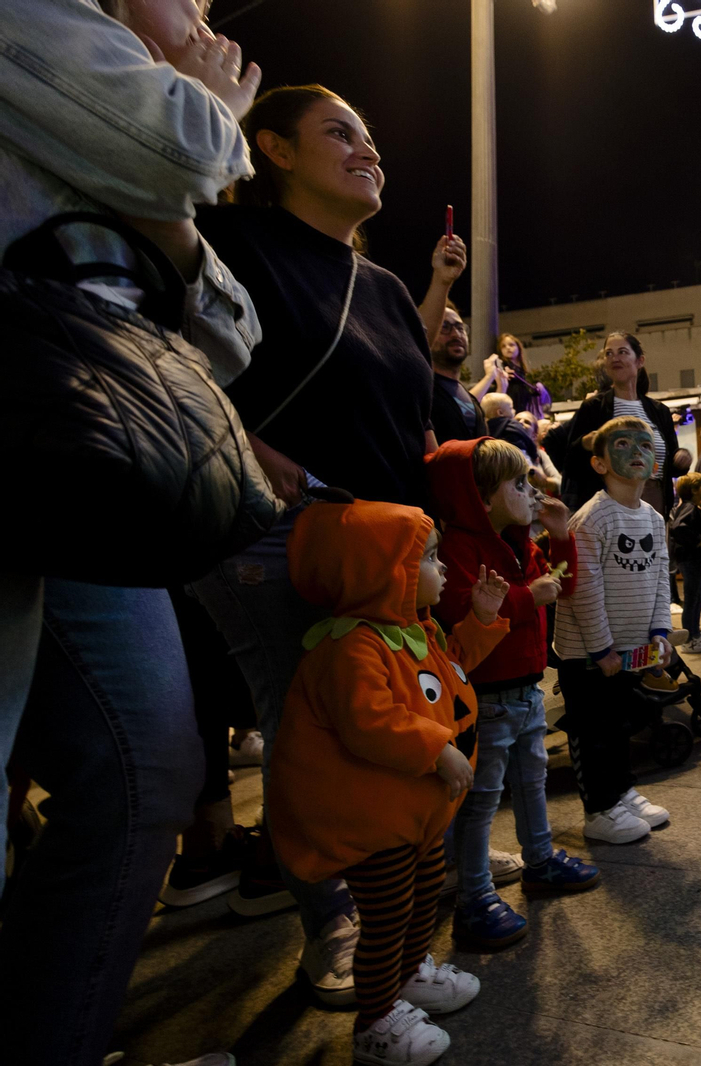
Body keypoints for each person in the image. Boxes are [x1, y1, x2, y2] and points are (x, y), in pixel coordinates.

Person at [0, 3, 262, 1061]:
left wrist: (167, 209)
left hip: (91, 480)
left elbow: (231, 330)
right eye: (187, 4)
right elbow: (186, 144)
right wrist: (214, 107)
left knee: (149, 761)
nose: (205, 26)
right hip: (27, 435)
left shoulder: (113, 93)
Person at [191, 84, 447, 1000]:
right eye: (340, 133)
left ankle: (399, 914)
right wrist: (250, 443)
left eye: (372, 139)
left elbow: (408, 422)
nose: (367, 150)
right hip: (277, 531)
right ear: (278, 151)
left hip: (383, 551)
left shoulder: (382, 287)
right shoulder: (235, 244)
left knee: (395, 716)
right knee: (304, 725)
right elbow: (171, 354)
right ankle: (331, 922)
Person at [267, 501, 506, 1065]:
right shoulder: (350, 646)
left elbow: (450, 670)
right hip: (376, 825)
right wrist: (437, 750)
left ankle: (410, 973)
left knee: (423, 897)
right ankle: (375, 1023)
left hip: (414, 818)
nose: (442, 567)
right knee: (387, 916)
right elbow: (369, 721)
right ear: (380, 574)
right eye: (426, 558)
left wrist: (483, 619)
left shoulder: (414, 630)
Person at [425, 437, 598, 950]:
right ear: (480, 498)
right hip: (490, 695)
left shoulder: (520, 543)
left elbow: (562, 586)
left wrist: (561, 535)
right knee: (482, 800)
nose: (531, 493)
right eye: (519, 485)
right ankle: (474, 898)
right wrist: (525, 598)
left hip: (525, 689)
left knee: (532, 779)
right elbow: (459, 612)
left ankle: (539, 860)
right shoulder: (460, 547)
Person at [553, 418, 676, 843]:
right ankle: (599, 809)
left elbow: (662, 577)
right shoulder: (591, 519)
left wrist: (661, 631)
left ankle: (622, 791)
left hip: (630, 648)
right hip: (588, 655)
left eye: (645, 444)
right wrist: (602, 648)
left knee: (619, 724)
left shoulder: (654, 518)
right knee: (593, 730)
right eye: (623, 444)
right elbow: (582, 591)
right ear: (599, 463)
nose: (637, 451)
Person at [559, 332, 678, 516]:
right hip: (608, 507)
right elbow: (569, 462)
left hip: (654, 502)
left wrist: (683, 457)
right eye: (609, 353)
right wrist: (584, 443)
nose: (615, 358)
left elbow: (673, 463)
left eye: (622, 352)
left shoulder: (659, 411)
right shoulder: (593, 408)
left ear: (640, 361)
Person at [670, 472, 701, 653]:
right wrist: (698, 541)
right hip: (689, 559)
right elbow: (678, 528)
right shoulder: (690, 508)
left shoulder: (691, 507)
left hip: (692, 559)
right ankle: (689, 639)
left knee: (696, 596)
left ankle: (695, 634)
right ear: (694, 490)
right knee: (693, 598)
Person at [431, 303, 490, 445]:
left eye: (460, 327)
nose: (456, 334)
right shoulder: (421, 391)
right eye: (444, 327)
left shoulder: (469, 398)